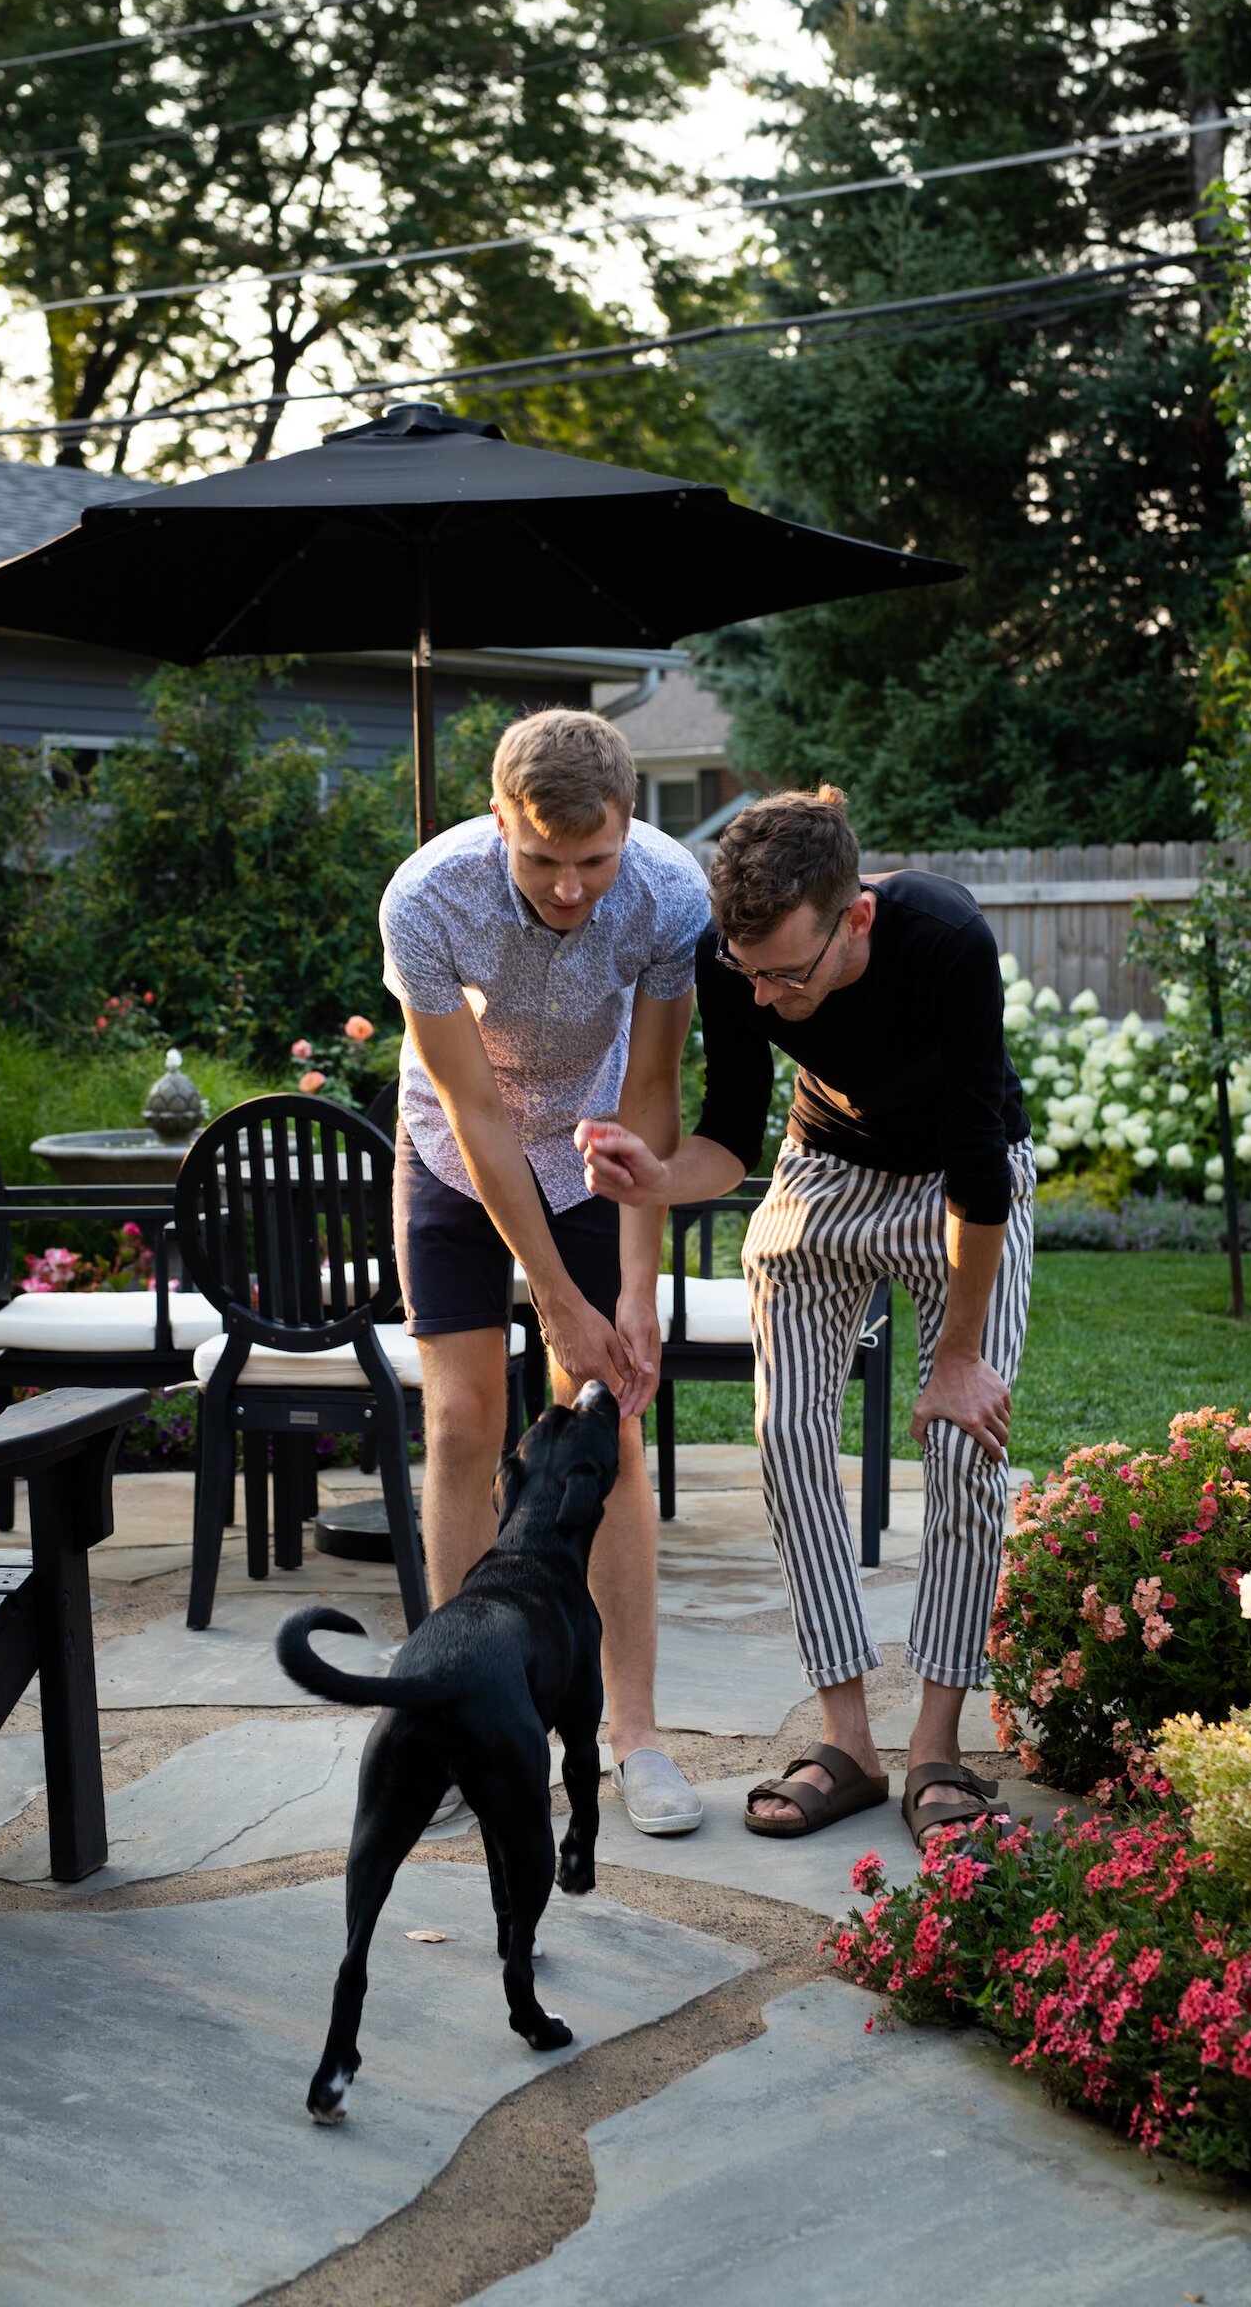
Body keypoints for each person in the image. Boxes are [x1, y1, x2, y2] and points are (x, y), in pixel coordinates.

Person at [577, 786, 1034, 1852]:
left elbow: (976, 1169)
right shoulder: (729, 959)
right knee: (785, 1440)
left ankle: (932, 1747)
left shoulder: (944, 939)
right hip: (823, 1174)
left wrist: (956, 1357)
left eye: (791, 971)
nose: (771, 998)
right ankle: (847, 1746)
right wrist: (654, 1180)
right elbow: (729, 1139)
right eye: (752, 974)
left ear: (856, 919)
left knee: (968, 1447)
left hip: (961, 1190)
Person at [379, 707, 710, 1834]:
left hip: (597, 1156)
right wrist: (556, 1303)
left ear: (629, 828)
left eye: (593, 860)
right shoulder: (426, 900)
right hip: (456, 1156)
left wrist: (628, 1293)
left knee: (609, 1426)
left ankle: (636, 1739)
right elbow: (473, 1109)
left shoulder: (669, 894)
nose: (570, 888)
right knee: (465, 1423)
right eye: (541, 859)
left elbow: (654, 1097)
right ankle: (456, 1722)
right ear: (495, 822)